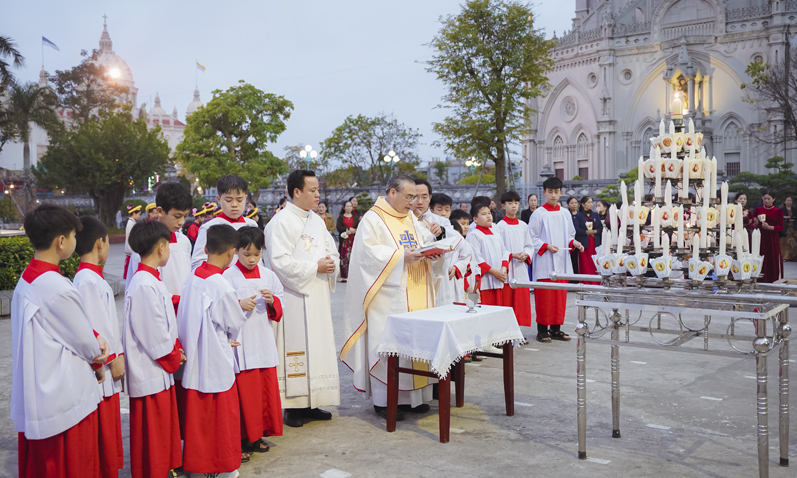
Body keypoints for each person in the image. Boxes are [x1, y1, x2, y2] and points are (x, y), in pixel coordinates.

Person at [12, 204, 111, 478]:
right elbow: (85, 343)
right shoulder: (56, 286)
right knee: (70, 463)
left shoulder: (28, 278)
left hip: (39, 386)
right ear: (61, 241)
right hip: (63, 391)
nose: (76, 242)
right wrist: (98, 356)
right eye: (74, 236)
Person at [340, 174, 444, 421]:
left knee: (414, 345)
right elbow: (367, 256)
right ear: (392, 193)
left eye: (417, 197)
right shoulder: (373, 219)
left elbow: (421, 241)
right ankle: (385, 401)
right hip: (388, 298)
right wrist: (400, 258)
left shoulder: (409, 217)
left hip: (416, 290)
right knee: (389, 346)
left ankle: (412, 398)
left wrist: (435, 248)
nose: (413, 202)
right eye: (409, 197)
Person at [264, 170, 341, 427]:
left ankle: (312, 401)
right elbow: (278, 263)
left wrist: (331, 263)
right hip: (294, 296)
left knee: (317, 347)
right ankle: (293, 406)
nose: (318, 194)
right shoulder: (280, 222)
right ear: (296, 192)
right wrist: (313, 268)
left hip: (317, 295)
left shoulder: (317, 222)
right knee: (294, 349)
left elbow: (331, 250)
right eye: (312, 190)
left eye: (318, 189)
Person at [177, 224, 251, 476]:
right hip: (214, 358)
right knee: (220, 420)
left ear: (206, 248)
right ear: (232, 253)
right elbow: (234, 322)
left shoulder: (193, 276)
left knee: (199, 422)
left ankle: (197, 468)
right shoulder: (220, 285)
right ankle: (222, 468)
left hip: (194, 357)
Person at [123, 220, 184, 478]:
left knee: (161, 427)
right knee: (153, 428)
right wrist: (172, 355)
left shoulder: (150, 279)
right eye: (168, 245)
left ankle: (164, 467)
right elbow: (153, 331)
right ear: (161, 247)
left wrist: (175, 346)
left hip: (158, 367)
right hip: (150, 367)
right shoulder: (144, 285)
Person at [222, 227, 284, 455]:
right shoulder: (228, 276)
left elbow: (281, 302)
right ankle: (242, 438)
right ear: (236, 251)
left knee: (263, 393)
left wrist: (272, 301)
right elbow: (221, 306)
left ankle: (257, 436)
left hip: (263, 340)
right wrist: (238, 305)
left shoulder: (268, 275)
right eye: (247, 254)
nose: (252, 259)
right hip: (242, 343)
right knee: (244, 395)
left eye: (257, 254)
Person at [73, 217, 125, 478]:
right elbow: (95, 328)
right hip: (101, 368)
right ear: (100, 243)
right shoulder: (87, 281)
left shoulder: (92, 278)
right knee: (102, 433)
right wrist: (112, 359)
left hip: (105, 364)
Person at [528, 177, 583, 343]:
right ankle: (542, 330)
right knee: (545, 296)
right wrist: (546, 245)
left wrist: (574, 242)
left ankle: (556, 328)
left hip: (561, 260)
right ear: (544, 192)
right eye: (550, 192)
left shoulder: (565, 213)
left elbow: (569, 234)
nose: (553, 195)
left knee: (559, 296)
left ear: (561, 193)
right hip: (545, 260)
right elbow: (531, 237)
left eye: (556, 192)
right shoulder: (538, 214)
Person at [125, 182, 193, 294]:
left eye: (185, 216)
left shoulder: (184, 241)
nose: (181, 222)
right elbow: (138, 284)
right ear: (160, 211)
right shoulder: (145, 242)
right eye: (177, 216)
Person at [191, 174, 259, 270]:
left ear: (245, 198)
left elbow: (258, 259)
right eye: (228, 200)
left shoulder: (251, 225)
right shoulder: (210, 227)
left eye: (239, 200)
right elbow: (197, 263)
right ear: (219, 199)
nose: (234, 204)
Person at [494, 191, 534, 327]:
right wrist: (511, 255)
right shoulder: (499, 227)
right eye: (510, 203)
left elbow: (530, 245)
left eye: (516, 203)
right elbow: (498, 249)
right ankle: (508, 330)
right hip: (507, 269)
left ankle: (520, 331)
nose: (514, 206)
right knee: (508, 301)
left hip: (521, 268)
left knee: (521, 301)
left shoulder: (523, 225)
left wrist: (526, 254)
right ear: (503, 206)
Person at [467, 198, 510, 307]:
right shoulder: (474, 235)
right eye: (484, 214)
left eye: (489, 213)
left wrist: (503, 270)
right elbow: (477, 259)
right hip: (484, 282)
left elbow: (504, 253)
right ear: (475, 219)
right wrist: (496, 273)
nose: (488, 216)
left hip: (498, 280)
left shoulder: (496, 234)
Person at [430, 192, 471, 306]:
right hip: (434, 278)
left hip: (452, 279)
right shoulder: (426, 231)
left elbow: (467, 254)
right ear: (431, 210)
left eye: (447, 209)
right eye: (440, 209)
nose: (443, 213)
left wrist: (457, 267)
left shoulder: (455, 233)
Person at [752, 190, 784, 283]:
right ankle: (759, 279)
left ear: (773, 199)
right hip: (760, 238)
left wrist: (770, 227)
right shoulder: (758, 210)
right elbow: (752, 225)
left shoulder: (778, 211)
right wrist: (755, 223)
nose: (766, 200)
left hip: (772, 238)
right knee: (760, 258)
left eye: (768, 199)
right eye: (765, 198)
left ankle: (772, 279)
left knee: (771, 259)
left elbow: (780, 226)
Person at [413, 179, 453, 243]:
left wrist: (441, 232)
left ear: (430, 198)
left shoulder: (442, 221)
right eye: (415, 197)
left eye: (424, 197)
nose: (420, 202)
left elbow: (454, 240)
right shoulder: (401, 220)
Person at [574, 196, 603, 284]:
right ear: (582, 204)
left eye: (591, 202)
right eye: (588, 202)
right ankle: (586, 281)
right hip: (584, 243)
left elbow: (600, 228)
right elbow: (576, 229)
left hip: (594, 242)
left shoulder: (595, 215)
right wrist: (586, 232)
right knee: (586, 263)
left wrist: (595, 231)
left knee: (595, 262)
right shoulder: (578, 216)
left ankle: (596, 281)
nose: (591, 204)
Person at [337, 200, 360, 282]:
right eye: (347, 206)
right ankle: (343, 276)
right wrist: (347, 230)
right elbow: (339, 228)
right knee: (344, 258)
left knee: (353, 257)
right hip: (344, 241)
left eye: (350, 206)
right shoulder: (341, 217)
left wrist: (353, 231)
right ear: (344, 207)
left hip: (353, 240)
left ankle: (352, 276)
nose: (349, 208)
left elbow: (359, 227)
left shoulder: (355, 217)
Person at [123, 204, 142, 280]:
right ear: (134, 213)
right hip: (131, 250)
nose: (139, 216)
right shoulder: (131, 223)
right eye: (138, 214)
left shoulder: (132, 222)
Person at [566, 196, 580, 276]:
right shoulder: (567, 214)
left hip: (578, 240)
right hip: (570, 240)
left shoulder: (580, 214)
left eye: (575, 203)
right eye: (572, 203)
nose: (574, 204)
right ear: (568, 205)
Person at [781, 196, 797, 261]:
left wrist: (792, 219)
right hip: (785, 228)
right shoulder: (782, 209)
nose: (789, 201)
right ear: (785, 202)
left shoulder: (794, 210)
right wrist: (786, 217)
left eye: (790, 200)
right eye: (787, 200)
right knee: (785, 242)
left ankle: (793, 256)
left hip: (793, 228)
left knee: (793, 242)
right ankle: (785, 256)